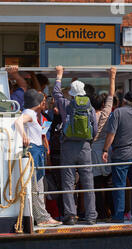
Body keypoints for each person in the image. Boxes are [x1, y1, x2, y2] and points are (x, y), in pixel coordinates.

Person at [52, 65, 98, 225]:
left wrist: (59, 75)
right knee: (88, 182)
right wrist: (89, 142)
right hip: (85, 147)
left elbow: (56, 93)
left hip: (68, 147)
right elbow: (95, 128)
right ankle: (91, 215)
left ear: (71, 94)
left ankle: (70, 215)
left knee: (68, 182)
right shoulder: (90, 108)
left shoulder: (65, 105)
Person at [102, 82, 132, 223]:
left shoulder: (117, 113)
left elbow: (111, 134)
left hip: (120, 154)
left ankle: (118, 216)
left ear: (124, 101)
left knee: (119, 186)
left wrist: (105, 150)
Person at [14, 89, 62, 227]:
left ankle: (40, 216)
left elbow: (42, 135)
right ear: (39, 102)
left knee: (38, 186)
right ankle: (42, 218)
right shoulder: (29, 113)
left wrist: (46, 151)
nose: (45, 103)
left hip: (38, 151)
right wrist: (23, 135)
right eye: (43, 101)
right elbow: (18, 122)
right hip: (34, 151)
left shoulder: (42, 117)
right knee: (37, 186)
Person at [90, 67, 116, 220]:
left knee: (96, 185)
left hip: (92, 151)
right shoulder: (106, 113)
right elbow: (111, 95)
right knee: (110, 183)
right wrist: (112, 76)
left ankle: (100, 213)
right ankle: (112, 211)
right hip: (106, 150)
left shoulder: (89, 114)